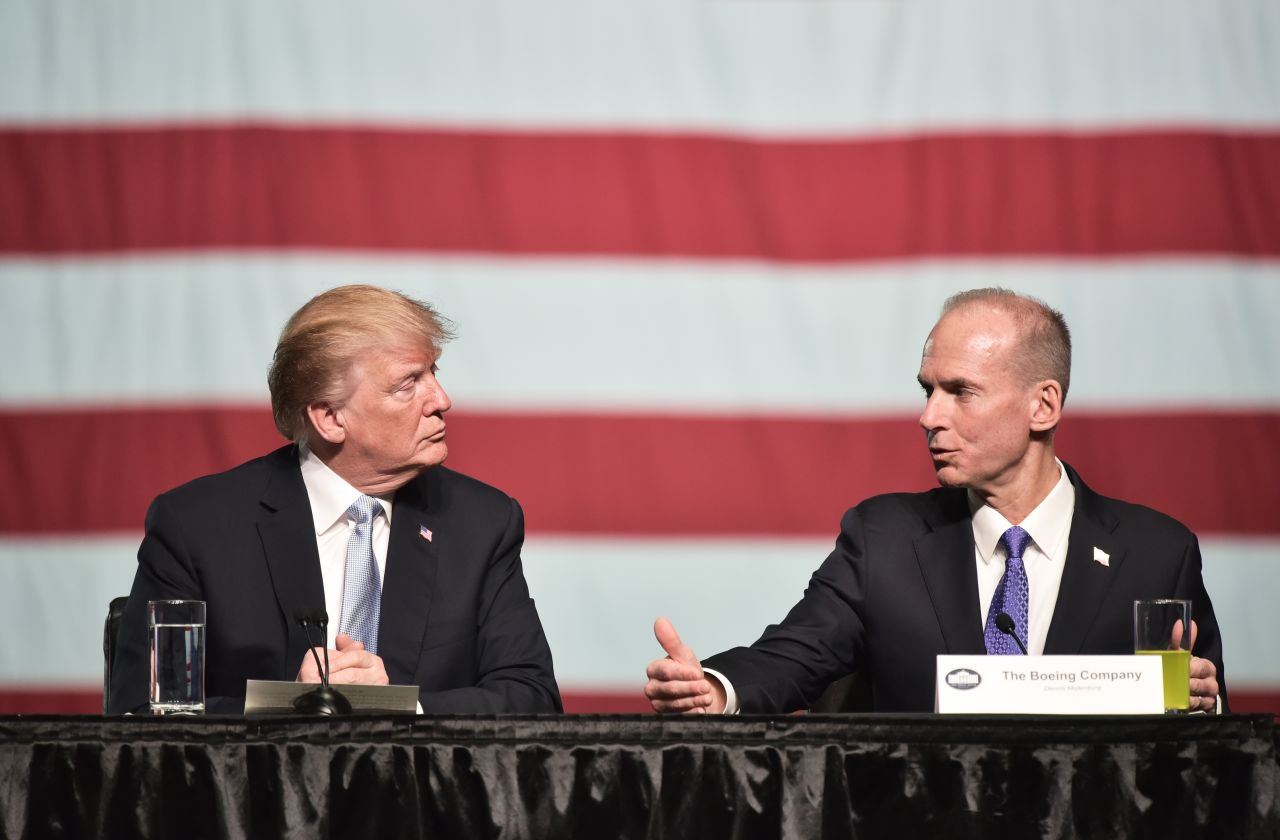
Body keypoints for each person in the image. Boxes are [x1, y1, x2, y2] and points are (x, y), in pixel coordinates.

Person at [645, 288, 1226, 714]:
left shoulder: (1157, 553)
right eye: (928, 390)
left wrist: (1206, 707)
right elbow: (792, 656)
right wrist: (716, 689)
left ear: (1042, 407)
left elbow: (1206, 733)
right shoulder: (883, 540)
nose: (929, 417)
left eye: (961, 392)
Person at [109, 285, 561, 714]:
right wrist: (295, 709)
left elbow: (532, 696)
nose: (442, 400)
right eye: (408, 384)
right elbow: (145, 711)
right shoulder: (197, 527)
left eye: (433, 374)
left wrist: (399, 709)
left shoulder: (481, 523)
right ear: (329, 418)